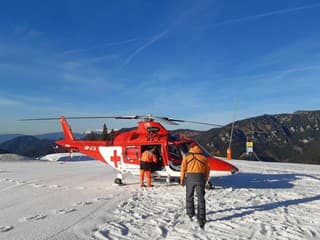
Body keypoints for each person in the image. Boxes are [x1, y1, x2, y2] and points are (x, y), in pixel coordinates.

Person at [180, 142, 210, 228]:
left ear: (191, 148)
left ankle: (190, 213)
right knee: (201, 198)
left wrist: (182, 179)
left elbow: (183, 168)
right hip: (200, 178)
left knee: (189, 196)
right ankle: (202, 219)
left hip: (190, 178)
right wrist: (205, 179)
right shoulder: (203, 157)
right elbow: (207, 170)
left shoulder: (187, 156)